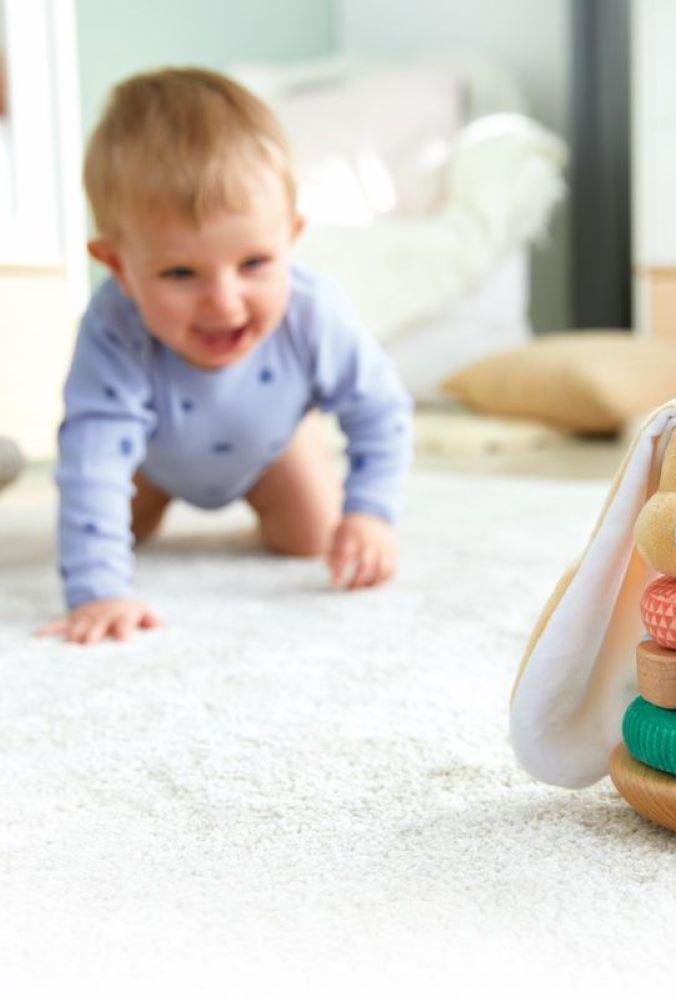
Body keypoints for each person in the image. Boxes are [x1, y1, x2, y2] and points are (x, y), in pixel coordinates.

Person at [37, 68, 413, 645]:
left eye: (254, 263)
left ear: (291, 236)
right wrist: (98, 591)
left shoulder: (314, 313)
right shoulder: (113, 328)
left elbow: (380, 410)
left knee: (313, 537)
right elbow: (92, 459)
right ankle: (147, 505)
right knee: (110, 527)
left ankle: (300, 432)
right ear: (118, 267)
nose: (224, 302)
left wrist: (370, 514)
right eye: (179, 273)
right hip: (146, 455)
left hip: (269, 446)